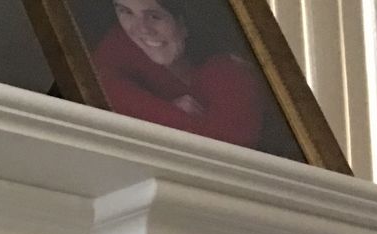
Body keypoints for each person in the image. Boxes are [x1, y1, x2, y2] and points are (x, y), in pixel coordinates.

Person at [93, 0, 266, 148]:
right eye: (126, 11)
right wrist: (169, 111)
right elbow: (101, 90)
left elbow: (231, 149)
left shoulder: (229, 72)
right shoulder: (120, 44)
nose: (141, 30)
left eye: (155, 16)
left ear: (186, 21)